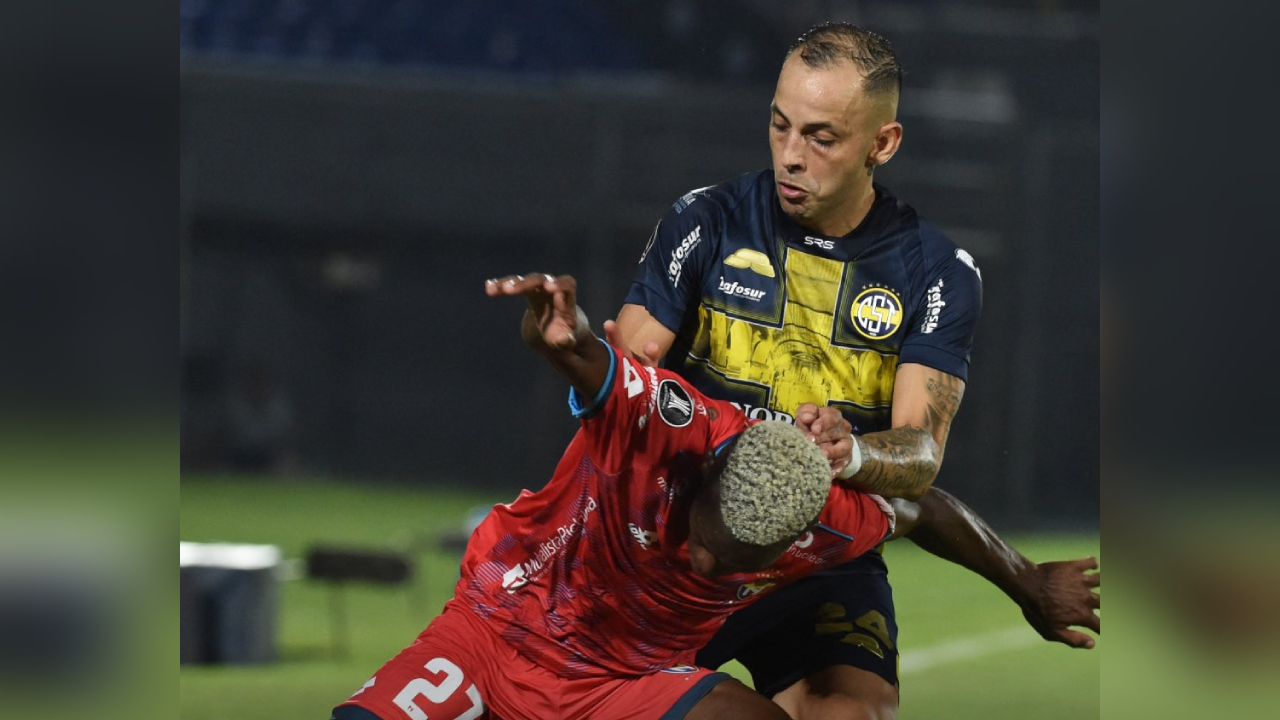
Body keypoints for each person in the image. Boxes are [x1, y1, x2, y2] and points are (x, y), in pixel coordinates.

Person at [616, 22, 1100, 719]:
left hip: (819, 559)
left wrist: (854, 452)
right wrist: (586, 362)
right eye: (780, 126)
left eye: (821, 137)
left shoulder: (936, 274)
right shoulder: (705, 221)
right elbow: (629, 375)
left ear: (883, 143)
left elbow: (919, 459)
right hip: (686, 546)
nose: (789, 156)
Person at [330, 272, 900, 720]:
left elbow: (928, 511)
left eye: (734, 565)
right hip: (501, 628)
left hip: (620, 682)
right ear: (705, 475)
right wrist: (562, 333)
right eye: (709, 541)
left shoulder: (819, 513)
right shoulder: (662, 422)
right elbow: (579, 353)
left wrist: (995, 572)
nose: (706, 564)